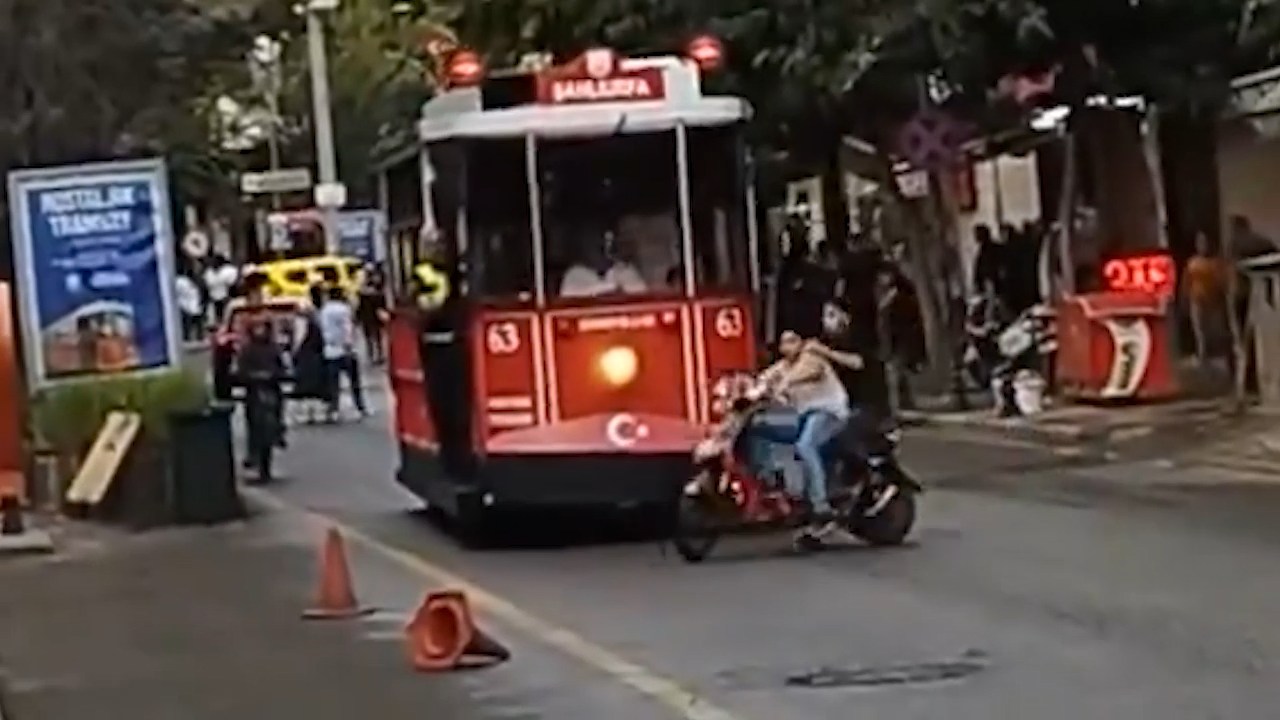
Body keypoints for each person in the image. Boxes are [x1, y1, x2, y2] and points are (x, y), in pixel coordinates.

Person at [742, 330, 852, 540]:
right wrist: (750, 390)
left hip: (828, 413)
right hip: (804, 417)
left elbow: (804, 373)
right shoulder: (783, 367)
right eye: (784, 342)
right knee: (757, 429)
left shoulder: (812, 358)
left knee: (805, 446)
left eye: (792, 341)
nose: (787, 346)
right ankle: (771, 482)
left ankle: (820, 505)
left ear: (801, 343)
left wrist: (781, 385)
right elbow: (765, 378)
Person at [237, 319, 286, 483]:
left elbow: (282, 369)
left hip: (271, 391)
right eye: (257, 328)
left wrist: (274, 375)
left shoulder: (273, 349)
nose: (260, 332)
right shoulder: (247, 350)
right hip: (254, 393)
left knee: (272, 423)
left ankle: (277, 436)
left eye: (263, 328)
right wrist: (252, 377)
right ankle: (254, 457)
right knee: (255, 428)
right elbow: (240, 372)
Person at [318, 285, 367, 421]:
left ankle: (333, 409)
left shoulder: (324, 310)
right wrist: (349, 344)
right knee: (354, 381)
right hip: (345, 350)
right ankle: (360, 407)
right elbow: (347, 328)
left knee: (333, 383)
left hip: (330, 349)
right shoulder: (343, 310)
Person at [560, 230, 647, 297]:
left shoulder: (626, 270)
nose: (607, 251)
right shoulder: (575, 274)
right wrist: (610, 289)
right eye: (601, 247)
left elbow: (641, 297)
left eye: (611, 245)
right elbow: (569, 302)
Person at [1183, 231, 1227, 365]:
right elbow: (1186, 282)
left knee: (1214, 329)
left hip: (1213, 301)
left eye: (1205, 243)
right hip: (1196, 300)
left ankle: (1217, 354)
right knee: (1199, 329)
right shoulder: (1192, 263)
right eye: (1200, 243)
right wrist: (1184, 299)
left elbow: (1221, 282)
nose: (1203, 246)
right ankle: (1202, 354)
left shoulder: (1216, 263)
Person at [291, 283, 332, 423]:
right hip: (311, 352)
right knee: (312, 385)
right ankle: (312, 413)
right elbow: (301, 335)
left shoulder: (314, 312)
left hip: (312, 352)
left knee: (312, 385)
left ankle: (311, 413)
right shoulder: (311, 312)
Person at [356, 264, 387, 364]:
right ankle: (377, 355)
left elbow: (360, 306)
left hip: (368, 317)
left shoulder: (363, 291)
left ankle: (372, 355)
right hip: (373, 316)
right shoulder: (376, 291)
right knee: (376, 337)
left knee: (370, 337)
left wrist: (358, 317)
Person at [202, 255, 239, 326]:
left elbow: (233, 285)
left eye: (216, 262)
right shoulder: (208, 273)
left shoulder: (228, 271)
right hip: (213, 300)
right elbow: (206, 287)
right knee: (213, 322)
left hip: (225, 299)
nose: (214, 263)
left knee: (227, 319)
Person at [175, 273, 204, 342]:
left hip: (190, 303)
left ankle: (195, 336)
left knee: (192, 321)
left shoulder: (180, 281)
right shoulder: (181, 281)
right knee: (190, 322)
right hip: (187, 304)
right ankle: (193, 336)